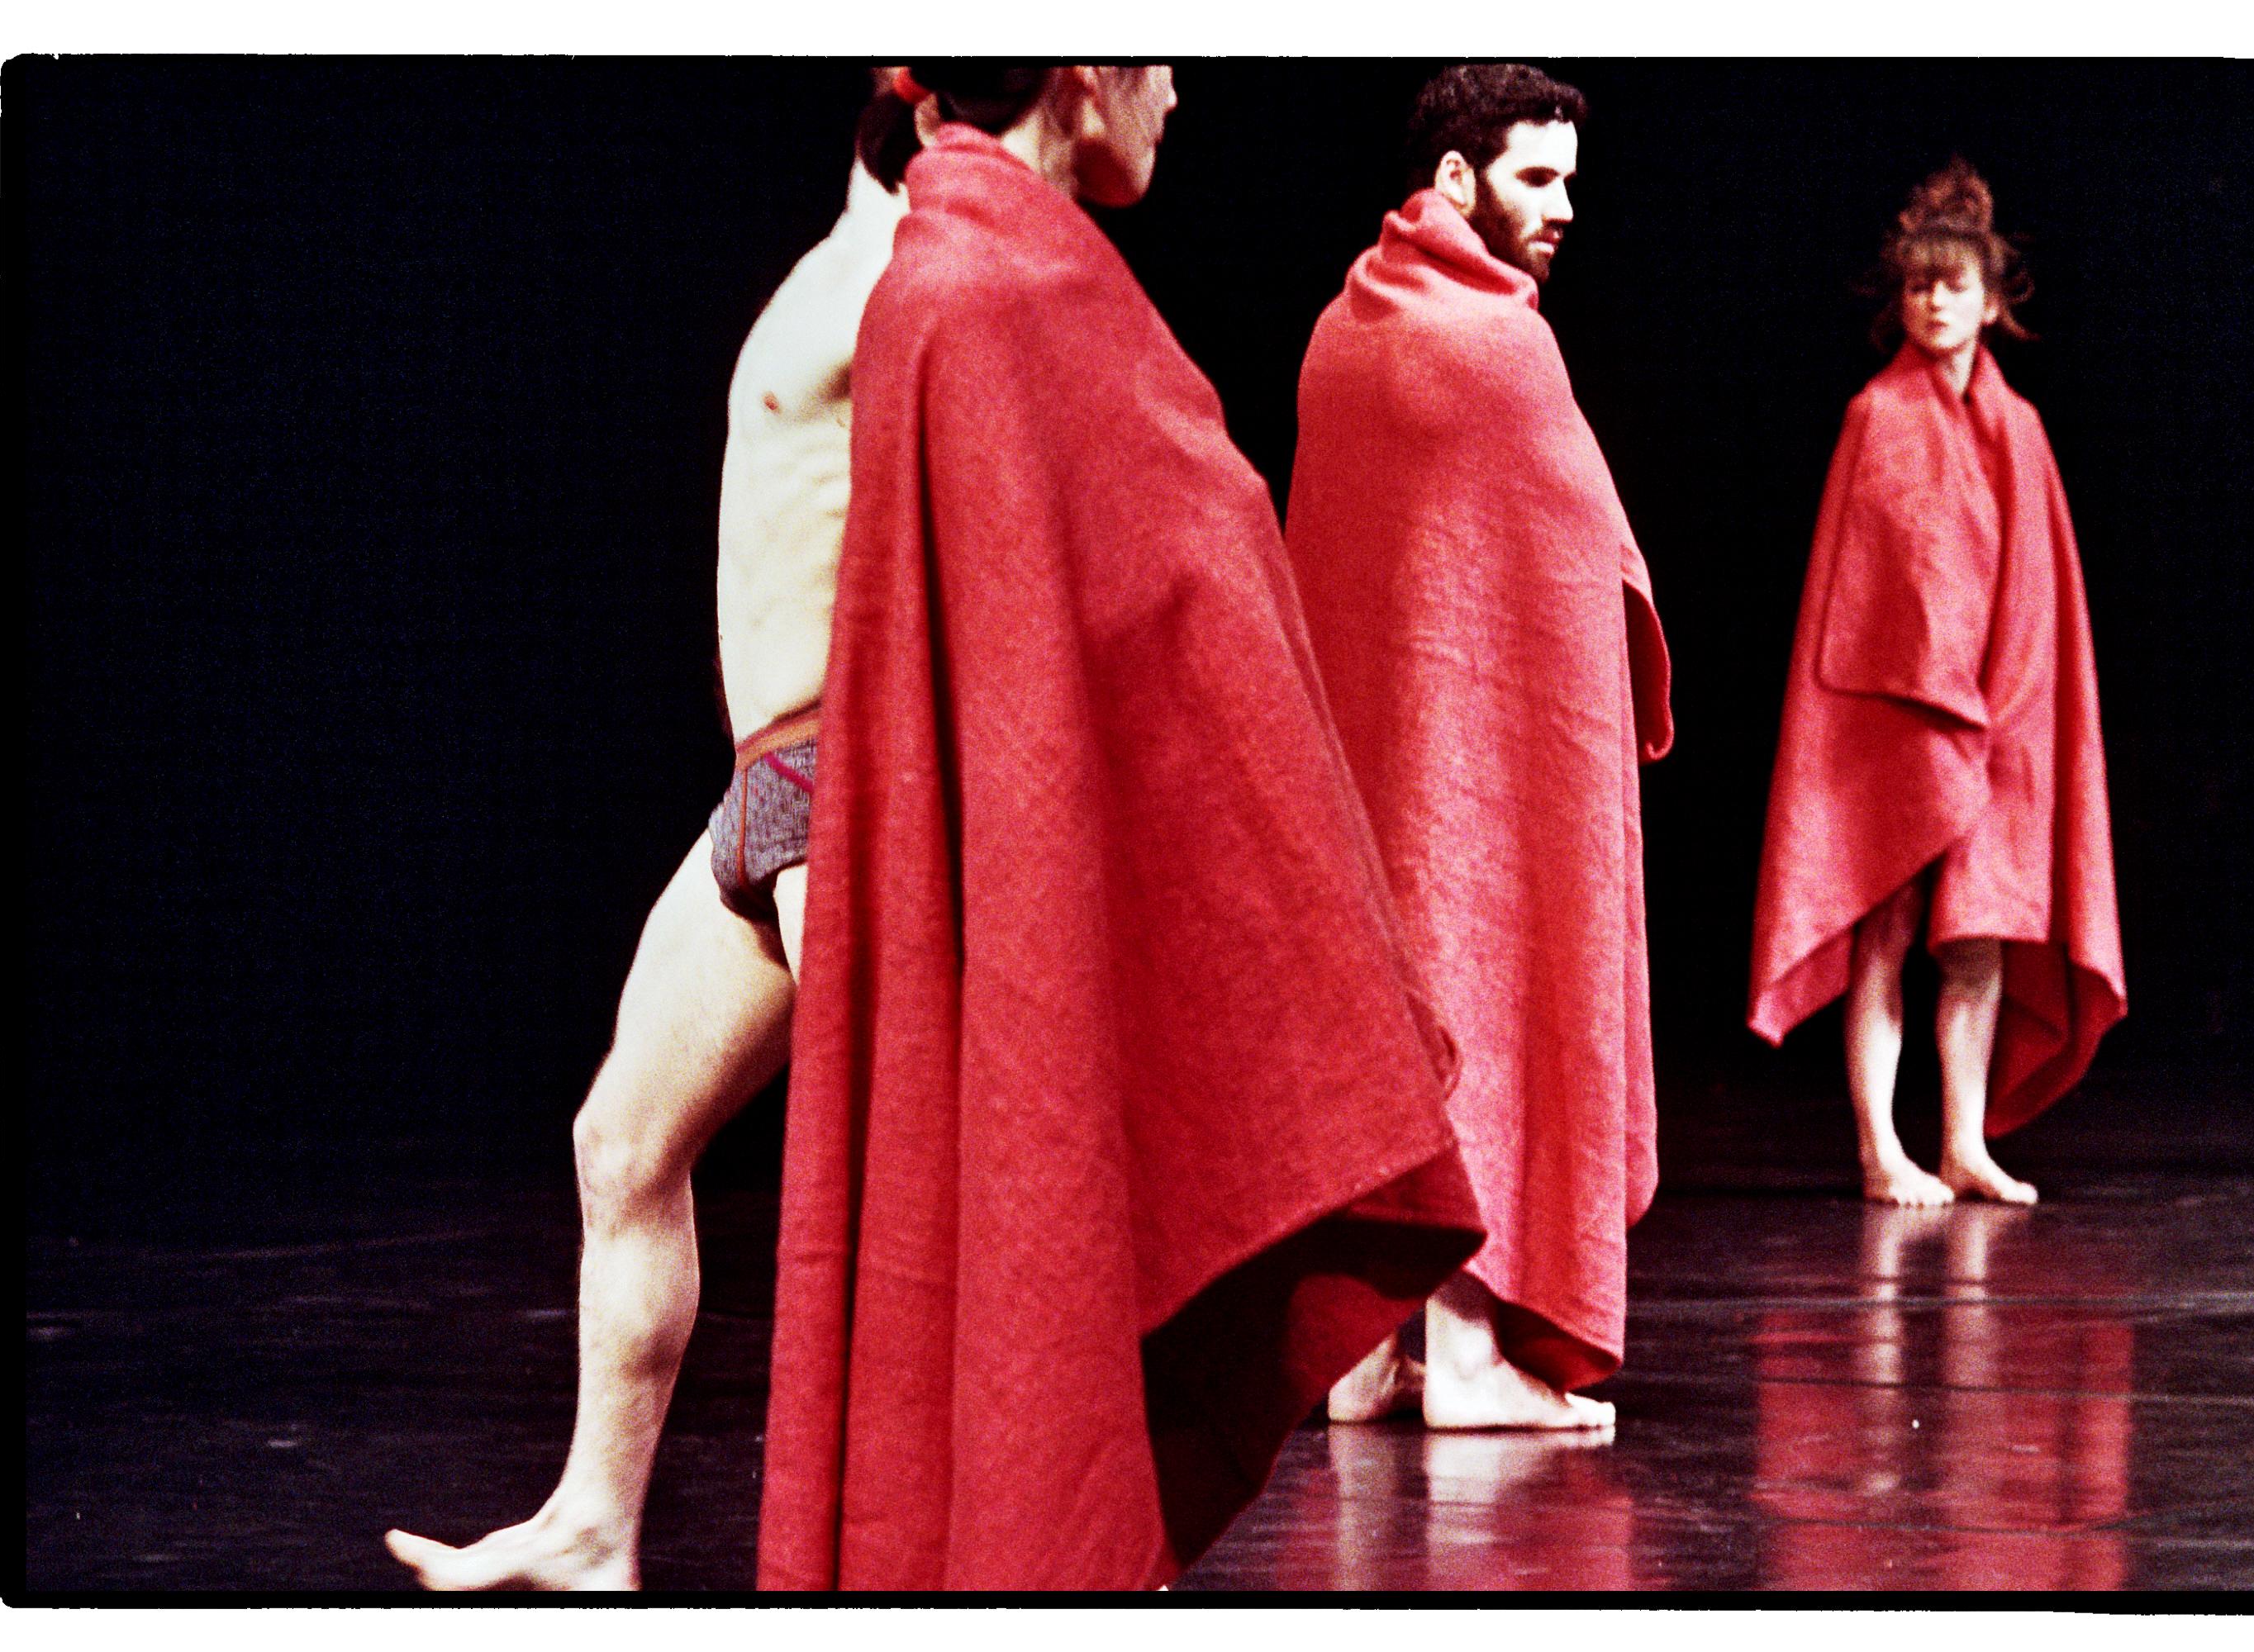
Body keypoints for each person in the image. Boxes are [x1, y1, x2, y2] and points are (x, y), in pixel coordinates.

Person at [754, 62, 1486, 1591]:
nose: (1177, 91)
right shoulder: (979, 293)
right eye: (1159, 55)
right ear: (1083, 71)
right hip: (906, 828)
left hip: (1007, 836)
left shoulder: (1003, 273)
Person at [383, 74, 936, 1591]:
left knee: (907, 1186)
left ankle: (1005, 1559)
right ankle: (592, 1525)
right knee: (622, 1145)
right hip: (765, 794)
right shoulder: (855, 251)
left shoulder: (929, 277)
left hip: (845, 788)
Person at [1282, 63, 1673, 1433]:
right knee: (1481, 998)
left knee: (1406, 1016)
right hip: (1483, 770)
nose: (1564, 207)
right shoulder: (1500, 345)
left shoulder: (1341, 329)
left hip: (1373, 768)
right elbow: (1583, 568)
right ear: (1455, 180)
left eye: (1571, 179)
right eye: (1535, 177)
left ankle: (1377, 1351)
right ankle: (1458, 1360)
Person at [1748, 159, 2124, 1207]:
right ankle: (1881, 1150)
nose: (1934, 299)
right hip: (1899, 721)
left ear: (1993, 300)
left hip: (2000, 719)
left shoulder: (2024, 429)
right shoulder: (1879, 416)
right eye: (1918, 284)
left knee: (1981, 938)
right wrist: (1940, 698)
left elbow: (2041, 590)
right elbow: (1872, 591)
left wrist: (2008, 706)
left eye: (1954, 283)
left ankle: (1963, 1138)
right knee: (1888, 931)